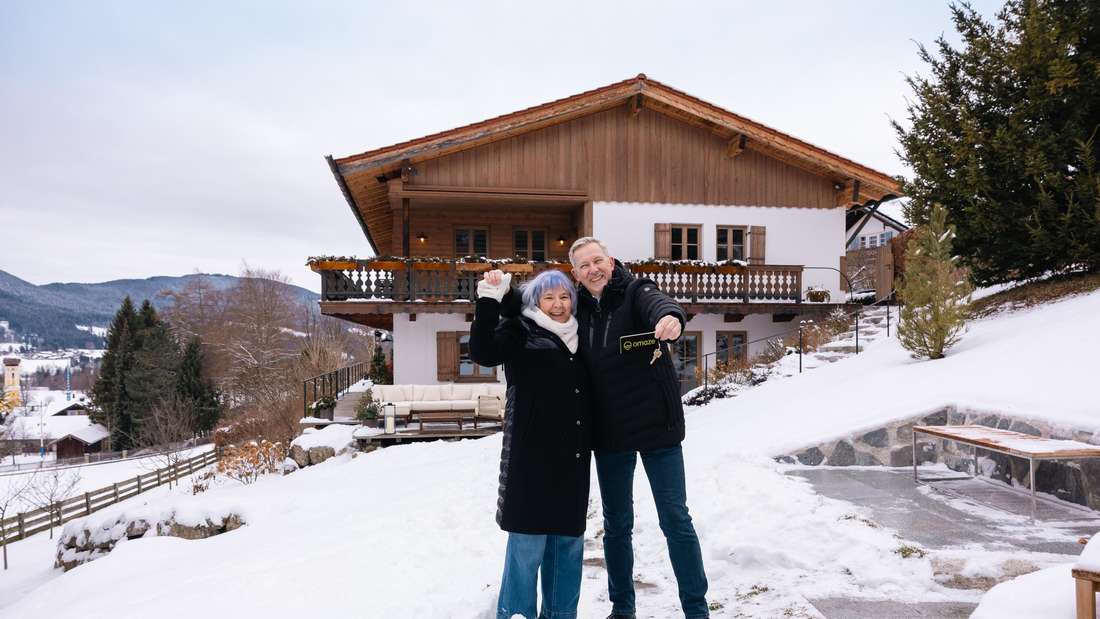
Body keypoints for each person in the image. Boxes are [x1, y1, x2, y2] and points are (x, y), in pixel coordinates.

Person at [569, 236, 709, 619]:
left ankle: (697, 611)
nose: (593, 269)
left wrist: (671, 318)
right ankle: (622, 608)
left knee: (675, 519)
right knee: (616, 526)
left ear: (611, 262)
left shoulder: (635, 290)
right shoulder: (576, 310)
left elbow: (659, 304)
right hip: (611, 432)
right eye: (584, 266)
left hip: (656, 427)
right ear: (576, 274)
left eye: (598, 261)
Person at [470, 268, 593, 619]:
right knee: (527, 545)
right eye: (549, 297)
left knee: (567, 547)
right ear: (536, 300)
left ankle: (561, 614)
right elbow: (483, 351)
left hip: (572, 460)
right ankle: (516, 613)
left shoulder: (581, 335)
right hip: (531, 459)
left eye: (565, 296)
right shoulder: (520, 330)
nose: (558, 305)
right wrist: (490, 301)